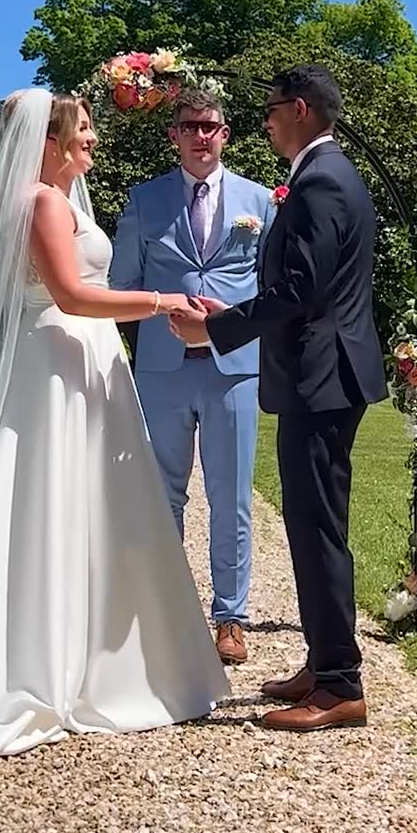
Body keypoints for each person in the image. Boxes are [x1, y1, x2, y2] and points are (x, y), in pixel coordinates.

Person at [0, 89, 228, 772]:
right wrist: (161, 301)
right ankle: (40, 657)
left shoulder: (55, 200)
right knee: (43, 500)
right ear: (50, 142)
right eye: (83, 131)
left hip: (82, 359)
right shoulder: (42, 203)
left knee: (86, 503)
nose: (92, 141)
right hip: (56, 361)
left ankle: (93, 652)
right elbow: (71, 295)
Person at [171, 65, 387, 732]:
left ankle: (340, 687)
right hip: (323, 379)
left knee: (318, 529)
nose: (263, 121)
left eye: (269, 110)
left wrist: (214, 328)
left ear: (297, 109)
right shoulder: (329, 176)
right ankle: (325, 664)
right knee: (310, 524)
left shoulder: (320, 183)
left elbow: (300, 291)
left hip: (322, 383)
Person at [111, 87, 272, 666]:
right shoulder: (143, 200)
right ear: (173, 134)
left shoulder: (260, 200)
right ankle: (166, 609)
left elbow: (273, 288)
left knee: (230, 498)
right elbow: (120, 287)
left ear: (226, 134)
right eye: (189, 126)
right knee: (163, 495)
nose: (201, 136)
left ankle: (230, 618)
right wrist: (160, 308)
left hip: (233, 370)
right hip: (162, 368)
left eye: (211, 126)